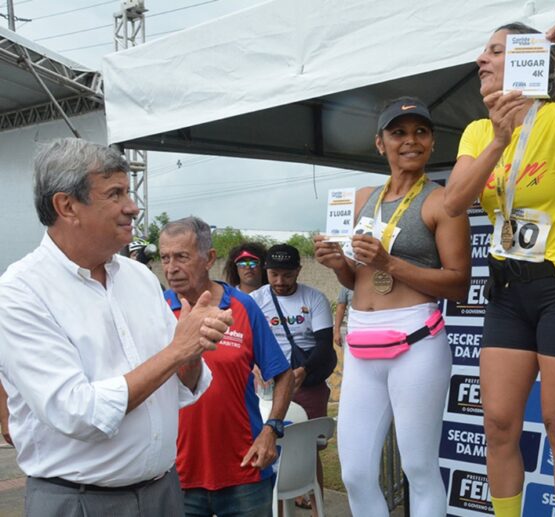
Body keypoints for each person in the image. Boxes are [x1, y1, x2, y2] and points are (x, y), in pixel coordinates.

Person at [442, 9, 555, 516]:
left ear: (526, 62)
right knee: (498, 423)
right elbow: (454, 202)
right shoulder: (479, 132)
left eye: (496, 52)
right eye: (484, 52)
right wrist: (499, 140)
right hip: (508, 293)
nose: (482, 59)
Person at [0, 138, 231, 517]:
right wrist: (177, 350)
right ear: (67, 206)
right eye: (115, 193)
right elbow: (78, 412)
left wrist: (192, 350)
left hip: (163, 492)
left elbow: (178, 386)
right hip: (80, 502)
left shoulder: (139, 277)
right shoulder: (21, 292)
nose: (133, 206)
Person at [314, 97, 470, 517]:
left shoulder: (442, 202)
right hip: (362, 342)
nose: (410, 141)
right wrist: (337, 265)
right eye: (398, 133)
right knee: (356, 474)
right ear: (380, 143)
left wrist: (389, 262)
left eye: (420, 131)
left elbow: (459, 283)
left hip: (416, 341)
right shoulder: (362, 197)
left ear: (433, 141)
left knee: (419, 468)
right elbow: (354, 278)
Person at [160, 216, 294, 517]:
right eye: (165, 258)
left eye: (181, 256)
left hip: (244, 472)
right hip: (175, 474)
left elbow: (284, 374)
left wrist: (271, 430)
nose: (170, 268)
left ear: (209, 258)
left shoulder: (242, 307)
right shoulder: (157, 310)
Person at [250, 243, 335, 514]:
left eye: (287, 275)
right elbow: (246, 339)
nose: (280, 282)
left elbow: (323, 345)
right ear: (266, 272)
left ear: (298, 270)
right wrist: (253, 368)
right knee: (266, 446)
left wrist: (304, 371)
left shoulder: (314, 298)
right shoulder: (255, 300)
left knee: (308, 447)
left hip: (306, 382)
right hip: (266, 386)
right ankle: (272, 505)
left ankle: (314, 501)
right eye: (274, 274)